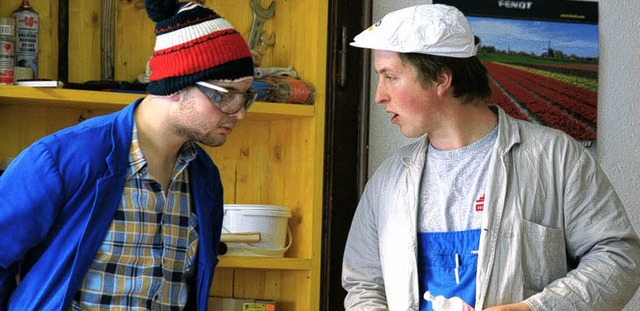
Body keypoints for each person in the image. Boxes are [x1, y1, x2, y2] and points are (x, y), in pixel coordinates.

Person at [342, 4, 640, 311]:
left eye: (390, 77)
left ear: (441, 79)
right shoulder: (389, 179)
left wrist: (534, 309)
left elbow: (619, 257)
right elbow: (364, 282)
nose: (379, 95)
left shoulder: (556, 158)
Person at [0, 1, 256, 309]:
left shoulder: (204, 177)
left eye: (247, 97)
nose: (240, 113)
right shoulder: (63, 160)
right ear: (175, 86)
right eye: (227, 96)